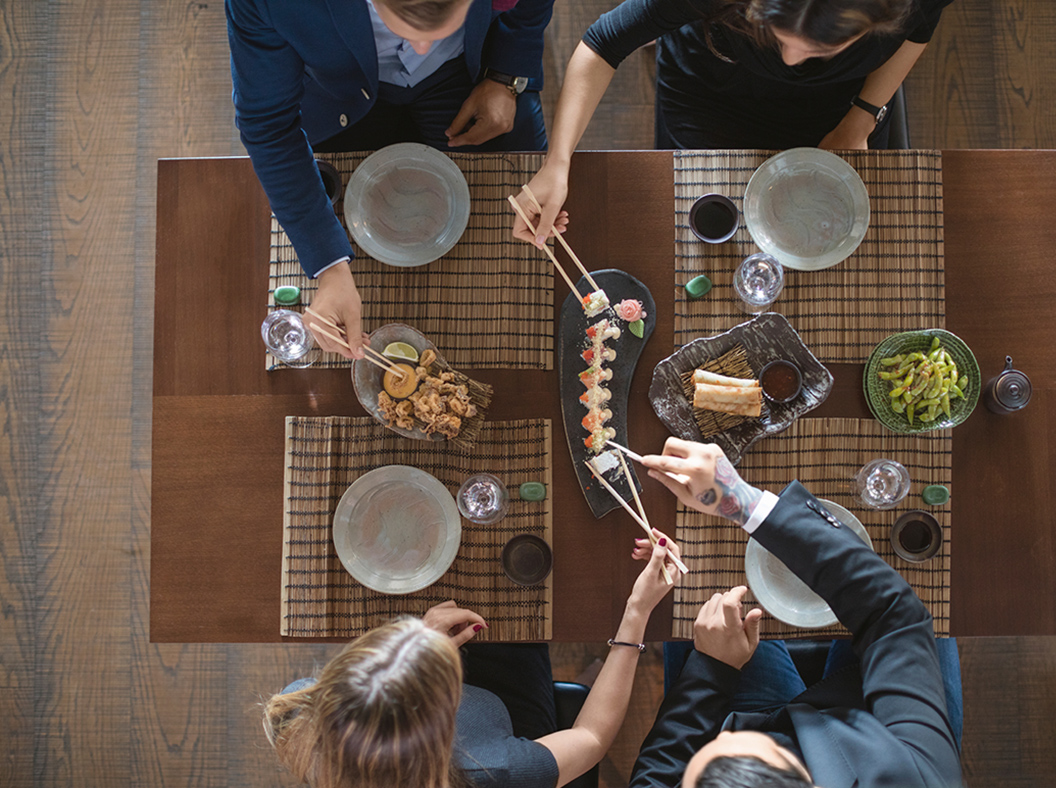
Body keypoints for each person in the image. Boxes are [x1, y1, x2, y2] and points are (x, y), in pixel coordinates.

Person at [227, 0, 558, 358]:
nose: (421, 48)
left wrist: (506, 76)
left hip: (469, 70)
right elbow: (269, 126)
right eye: (407, 26)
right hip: (336, 91)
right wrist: (328, 265)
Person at [627, 437, 962, 788]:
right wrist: (742, 503)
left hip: (756, 709)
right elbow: (894, 616)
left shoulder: (725, 735)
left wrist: (711, 670)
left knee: (693, 597)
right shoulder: (914, 776)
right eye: (732, 746)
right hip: (882, 731)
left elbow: (658, 776)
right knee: (932, 591)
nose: (721, 733)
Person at [513, 0, 953, 247]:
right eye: (780, 38)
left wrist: (861, 118)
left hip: (844, 100)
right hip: (712, 87)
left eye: (817, 49)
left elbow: (920, 29)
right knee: (699, 221)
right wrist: (558, 163)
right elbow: (603, 43)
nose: (790, 60)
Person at [263, 535, 683, 788]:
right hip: (510, 726)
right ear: (442, 724)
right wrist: (637, 613)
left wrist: (424, 635)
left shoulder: (299, 708)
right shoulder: (493, 770)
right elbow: (591, 738)